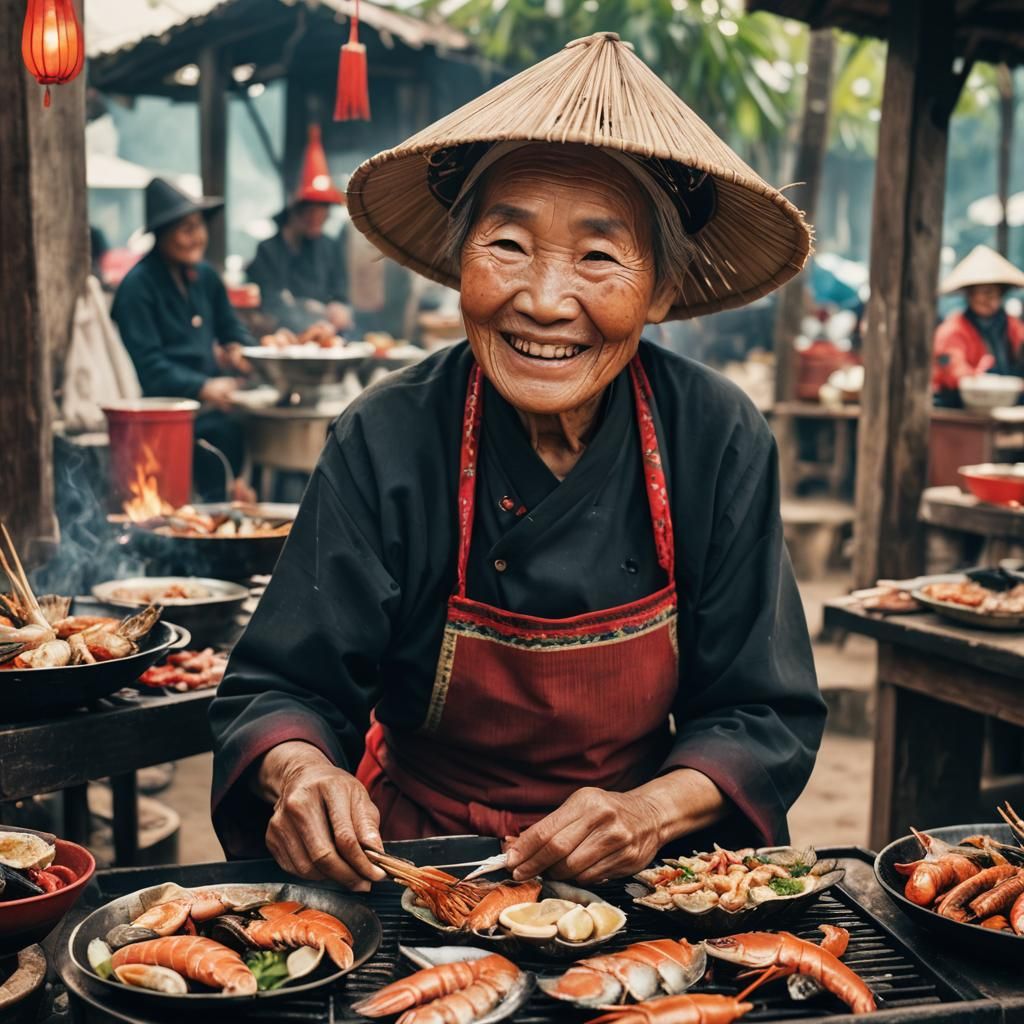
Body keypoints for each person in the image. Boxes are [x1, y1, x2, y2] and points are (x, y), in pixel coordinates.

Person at [210, 32, 825, 890]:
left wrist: (647, 812)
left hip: (638, 873)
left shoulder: (714, 436)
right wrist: (303, 773)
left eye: (600, 257)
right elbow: (284, 688)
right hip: (415, 863)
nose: (542, 300)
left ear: (661, 294)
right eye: (506, 246)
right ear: (460, 261)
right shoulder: (386, 435)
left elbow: (761, 712)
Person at [111, 178, 255, 502]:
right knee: (220, 435)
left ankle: (236, 503)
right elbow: (149, 366)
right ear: (162, 234)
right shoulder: (137, 287)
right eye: (185, 228)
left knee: (257, 424)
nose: (197, 237)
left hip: (213, 404)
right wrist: (204, 387)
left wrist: (239, 351)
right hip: (162, 412)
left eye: (199, 226)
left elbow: (232, 328)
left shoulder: (205, 277)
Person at [247, 126, 352, 336]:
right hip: (282, 338)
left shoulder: (329, 247)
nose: (317, 218)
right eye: (310, 210)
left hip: (327, 338)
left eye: (323, 211)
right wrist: (310, 313)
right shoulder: (267, 250)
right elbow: (270, 304)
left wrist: (339, 307)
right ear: (295, 209)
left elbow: (339, 292)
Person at [932, 244, 1024, 406]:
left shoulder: (1010, 324)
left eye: (994, 293)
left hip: (1006, 400)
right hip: (961, 403)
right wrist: (978, 377)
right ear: (970, 294)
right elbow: (953, 372)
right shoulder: (953, 330)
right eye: (983, 292)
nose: (988, 299)